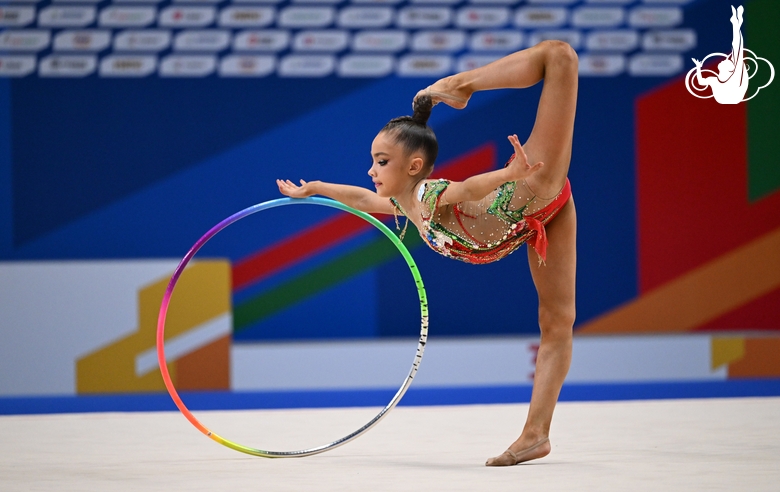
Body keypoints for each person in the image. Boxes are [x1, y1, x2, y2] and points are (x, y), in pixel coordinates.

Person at [277, 40, 578, 467]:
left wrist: (510, 172)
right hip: (527, 223)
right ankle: (536, 436)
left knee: (560, 56)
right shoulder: (404, 205)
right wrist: (316, 189)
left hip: (531, 193)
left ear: (413, 167)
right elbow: (363, 200)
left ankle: (459, 84)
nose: (371, 170)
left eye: (381, 161)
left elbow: (469, 188)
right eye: (373, 161)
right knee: (555, 319)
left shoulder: (427, 193)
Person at [691, 5, 747, 104]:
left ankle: (736, 24)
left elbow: (737, 47)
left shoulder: (731, 77)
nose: (726, 59)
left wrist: (736, 25)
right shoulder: (717, 80)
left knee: (738, 53)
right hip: (728, 98)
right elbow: (701, 82)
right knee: (738, 54)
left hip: (732, 97)